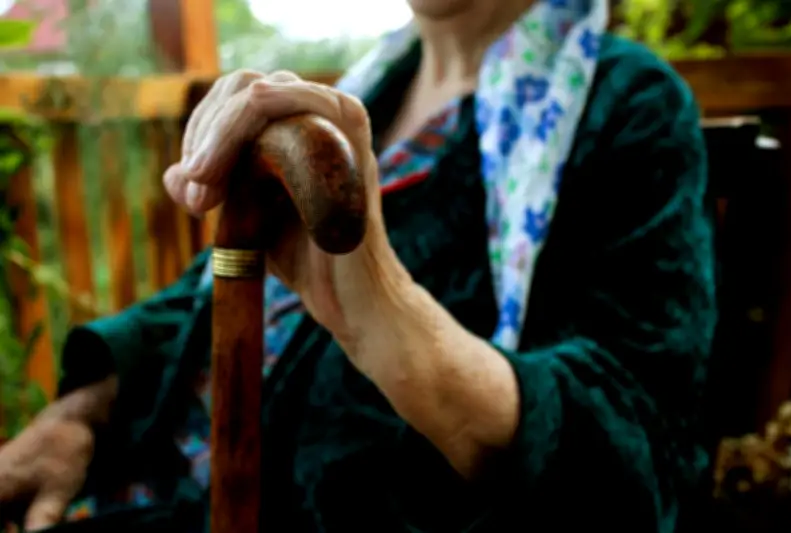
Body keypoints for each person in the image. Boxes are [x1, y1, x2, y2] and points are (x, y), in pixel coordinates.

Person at [0, 0, 717, 531]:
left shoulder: (625, 104)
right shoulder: (372, 87)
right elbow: (207, 291)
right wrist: (77, 414)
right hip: (150, 478)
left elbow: (641, 454)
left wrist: (390, 311)